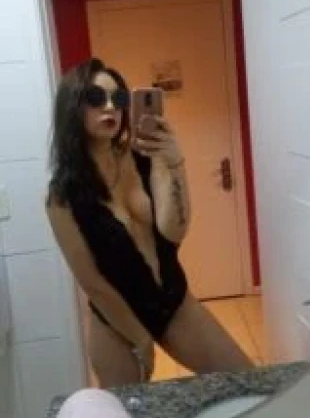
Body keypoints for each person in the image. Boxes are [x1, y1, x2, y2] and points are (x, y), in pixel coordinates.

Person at [46, 58, 254, 387]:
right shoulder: (63, 196)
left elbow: (174, 230)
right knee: (130, 414)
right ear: (72, 107)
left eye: (119, 98)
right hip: (117, 321)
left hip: (173, 300)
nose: (110, 107)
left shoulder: (143, 157)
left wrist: (174, 163)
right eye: (96, 98)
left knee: (247, 381)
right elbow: (92, 282)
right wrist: (140, 339)